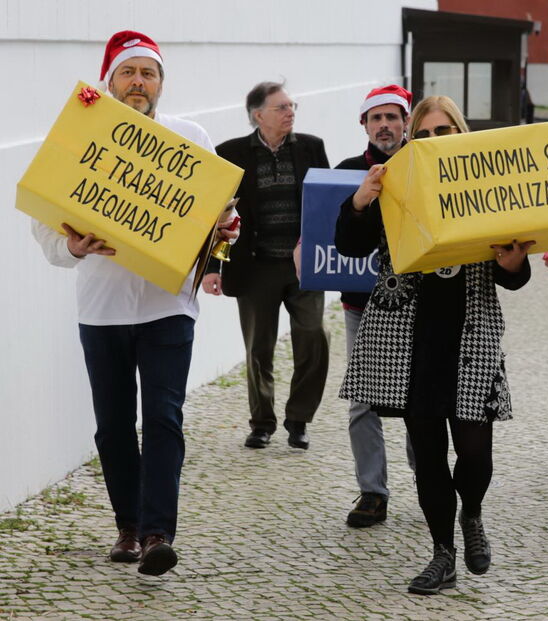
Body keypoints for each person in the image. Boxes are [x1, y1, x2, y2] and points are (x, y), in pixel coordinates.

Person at [30, 31, 237, 576]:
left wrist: (224, 232)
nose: (139, 83)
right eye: (129, 72)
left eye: (149, 74)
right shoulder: (81, 140)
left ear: (161, 84)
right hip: (101, 309)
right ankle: (126, 525)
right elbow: (44, 223)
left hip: (169, 306)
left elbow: (217, 225)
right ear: (110, 80)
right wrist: (70, 246)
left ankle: (155, 535)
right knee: (113, 425)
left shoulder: (190, 139)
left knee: (164, 417)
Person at [335, 95, 532, 595]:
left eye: (444, 132)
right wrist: (360, 201)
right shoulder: (394, 183)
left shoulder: (486, 185)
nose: (433, 142)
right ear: (411, 140)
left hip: (471, 333)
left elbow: (513, 271)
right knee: (428, 453)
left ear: (459, 134)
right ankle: (442, 553)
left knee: (475, 454)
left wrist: (512, 265)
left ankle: (473, 514)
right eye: (423, 135)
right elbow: (350, 246)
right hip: (408, 339)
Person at [202, 82, 330, 451]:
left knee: (313, 338)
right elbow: (218, 215)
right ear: (258, 115)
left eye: (292, 106)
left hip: (303, 266)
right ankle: (261, 423)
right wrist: (213, 266)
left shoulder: (311, 147)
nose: (290, 112)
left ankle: (299, 419)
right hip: (254, 266)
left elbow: (324, 202)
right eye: (281, 107)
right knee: (259, 348)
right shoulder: (231, 153)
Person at [330, 84, 416, 528]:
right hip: (362, 304)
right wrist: (361, 201)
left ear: (406, 123)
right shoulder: (347, 172)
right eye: (376, 118)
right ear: (363, 125)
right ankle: (372, 492)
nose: (384, 125)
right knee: (363, 399)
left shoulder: (426, 166)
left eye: (392, 117)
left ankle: (429, 483)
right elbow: (344, 244)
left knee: (421, 397)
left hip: (418, 303)